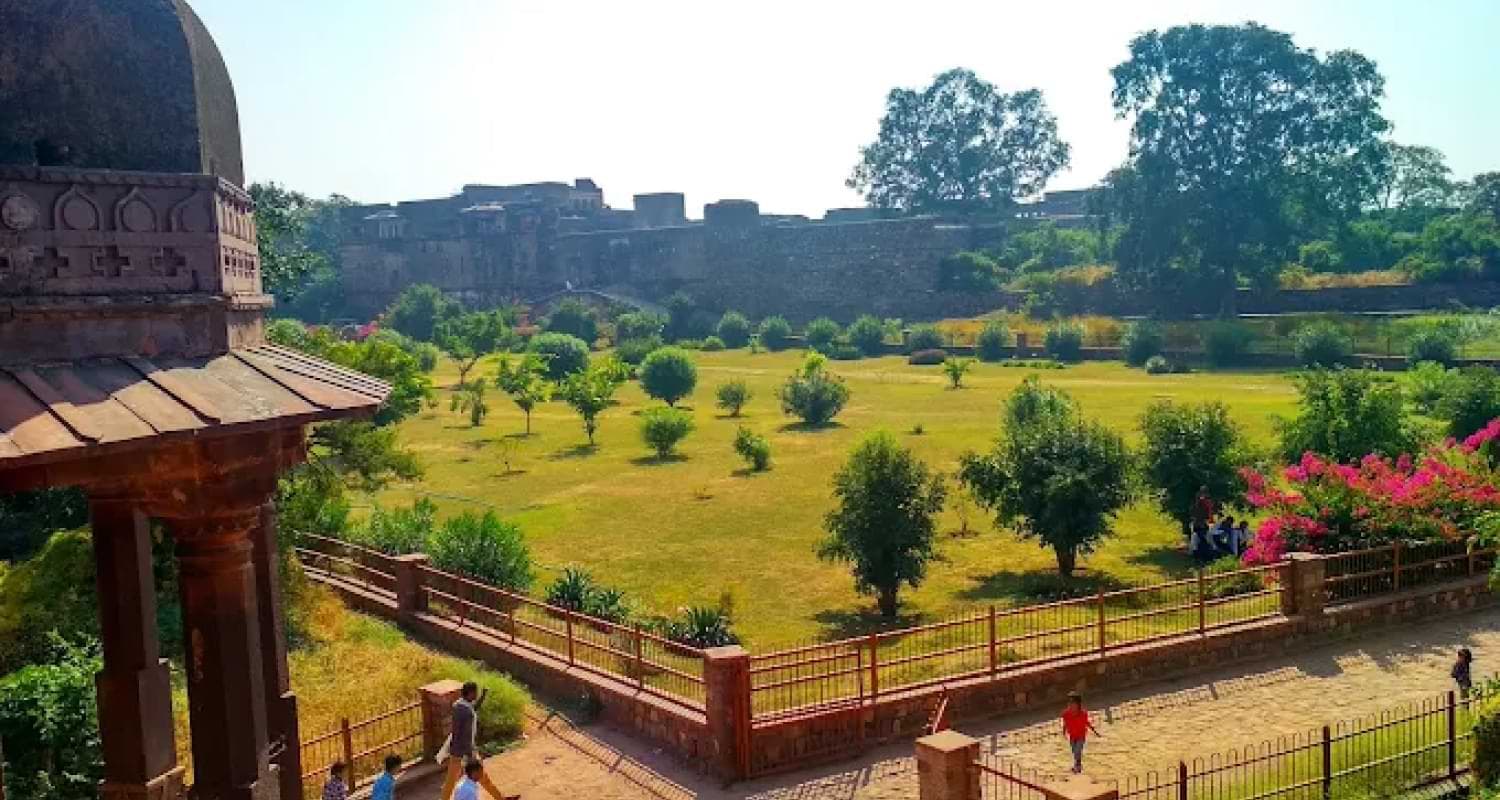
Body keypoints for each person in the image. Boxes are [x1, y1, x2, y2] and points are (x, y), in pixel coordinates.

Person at [438, 682, 519, 800]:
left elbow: (472, 710)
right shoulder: (466, 711)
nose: (476, 694)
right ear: (470, 693)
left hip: (457, 749)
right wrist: (471, 755)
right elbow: (465, 734)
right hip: (465, 750)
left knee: (452, 781)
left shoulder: (459, 705)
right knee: (480, 778)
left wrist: (483, 696)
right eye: (475, 692)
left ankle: (500, 798)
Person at [1061, 692, 1101, 774]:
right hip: (1072, 735)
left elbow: (1087, 723)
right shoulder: (1066, 714)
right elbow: (1065, 723)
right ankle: (1077, 765)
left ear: (1078, 704)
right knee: (1074, 751)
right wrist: (1064, 732)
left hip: (1081, 736)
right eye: (1069, 703)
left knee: (1077, 751)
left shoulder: (1083, 714)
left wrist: (1094, 731)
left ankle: (1077, 767)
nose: (1070, 705)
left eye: (1073, 703)